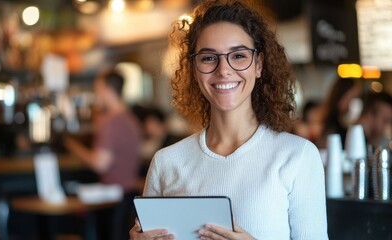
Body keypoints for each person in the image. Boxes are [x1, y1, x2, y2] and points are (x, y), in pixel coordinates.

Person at [129, 1, 328, 239]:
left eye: (239, 55)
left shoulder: (298, 156)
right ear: (194, 68)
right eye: (208, 58)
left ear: (259, 64)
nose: (223, 69)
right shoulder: (166, 162)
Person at [64, 68, 142, 240]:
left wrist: (72, 146)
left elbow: (100, 163)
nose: (97, 94)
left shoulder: (111, 122)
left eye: (98, 89)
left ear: (107, 89)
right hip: (130, 196)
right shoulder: (131, 119)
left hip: (112, 199)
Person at [316, 77, 362, 149]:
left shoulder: (354, 122)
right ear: (339, 97)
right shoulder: (330, 123)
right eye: (349, 98)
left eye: (355, 98)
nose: (352, 103)